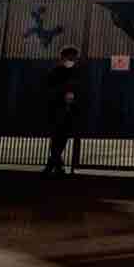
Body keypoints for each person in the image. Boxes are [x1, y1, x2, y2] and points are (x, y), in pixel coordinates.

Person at [42, 45, 83, 177]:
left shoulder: (75, 71)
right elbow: (49, 89)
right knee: (57, 137)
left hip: (69, 109)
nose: (74, 60)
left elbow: (79, 88)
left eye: (75, 58)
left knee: (61, 138)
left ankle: (54, 165)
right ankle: (54, 165)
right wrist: (64, 91)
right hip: (58, 108)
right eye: (72, 57)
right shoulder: (56, 71)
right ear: (64, 57)